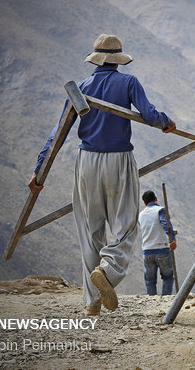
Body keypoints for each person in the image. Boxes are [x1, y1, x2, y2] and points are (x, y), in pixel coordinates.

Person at [28, 34, 176, 316]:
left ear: (96, 59)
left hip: (86, 162)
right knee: (126, 226)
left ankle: (92, 301)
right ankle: (107, 272)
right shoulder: (128, 82)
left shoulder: (80, 88)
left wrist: (39, 170)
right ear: (118, 60)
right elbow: (149, 113)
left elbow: (58, 132)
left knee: (90, 231)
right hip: (119, 159)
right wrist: (166, 122)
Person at [138, 190, 177, 296]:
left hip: (147, 251)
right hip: (162, 249)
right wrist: (173, 239)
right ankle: (165, 301)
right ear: (156, 199)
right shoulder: (160, 210)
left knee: (150, 280)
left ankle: (152, 302)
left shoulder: (141, 215)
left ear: (145, 203)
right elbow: (166, 226)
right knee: (168, 277)